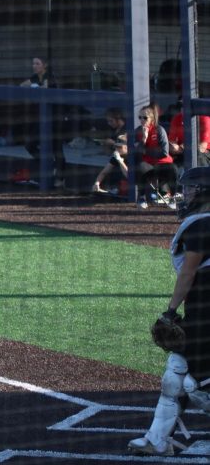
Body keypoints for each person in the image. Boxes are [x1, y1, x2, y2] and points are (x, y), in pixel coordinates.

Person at [128, 166, 210, 456]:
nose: (184, 193)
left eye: (190, 188)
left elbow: (187, 274)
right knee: (175, 373)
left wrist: (170, 311)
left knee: (198, 384)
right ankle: (157, 440)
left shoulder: (202, 225)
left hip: (205, 310)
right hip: (201, 308)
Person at [18, 57, 65, 187]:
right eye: (33, 63)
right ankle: (48, 164)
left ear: (45, 65)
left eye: (37, 63)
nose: (34, 66)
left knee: (57, 148)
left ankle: (60, 178)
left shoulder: (50, 77)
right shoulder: (34, 77)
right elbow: (22, 85)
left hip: (55, 118)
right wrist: (32, 85)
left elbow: (45, 88)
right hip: (42, 119)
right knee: (30, 145)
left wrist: (35, 87)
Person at [134, 106, 178, 209]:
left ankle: (172, 197)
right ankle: (142, 197)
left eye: (145, 117)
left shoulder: (159, 130)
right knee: (141, 168)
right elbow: (138, 152)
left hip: (162, 162)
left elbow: (164, 152)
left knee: (173, 169)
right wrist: (144, 139)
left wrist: (146, 151)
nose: (142, 120)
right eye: (140, 117)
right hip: (148, 163)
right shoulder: (137, 131)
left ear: (152, 118)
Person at [92, 107, 128, 194]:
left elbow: (130, 176)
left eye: (119, 147)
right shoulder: (116, 155)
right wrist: (97, 183)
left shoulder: (133, 156)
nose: (117, 149)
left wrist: (120, 161)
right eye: (116, 147)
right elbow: (104, 172)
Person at [168, 104, 210, 168]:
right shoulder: (177, 118)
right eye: (182, 106)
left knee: (197, 156)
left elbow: (202, 147)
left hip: (204, 154)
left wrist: (182, 147)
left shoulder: (205, 119)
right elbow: (172, 145)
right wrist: (177, 148)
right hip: (182, 153)